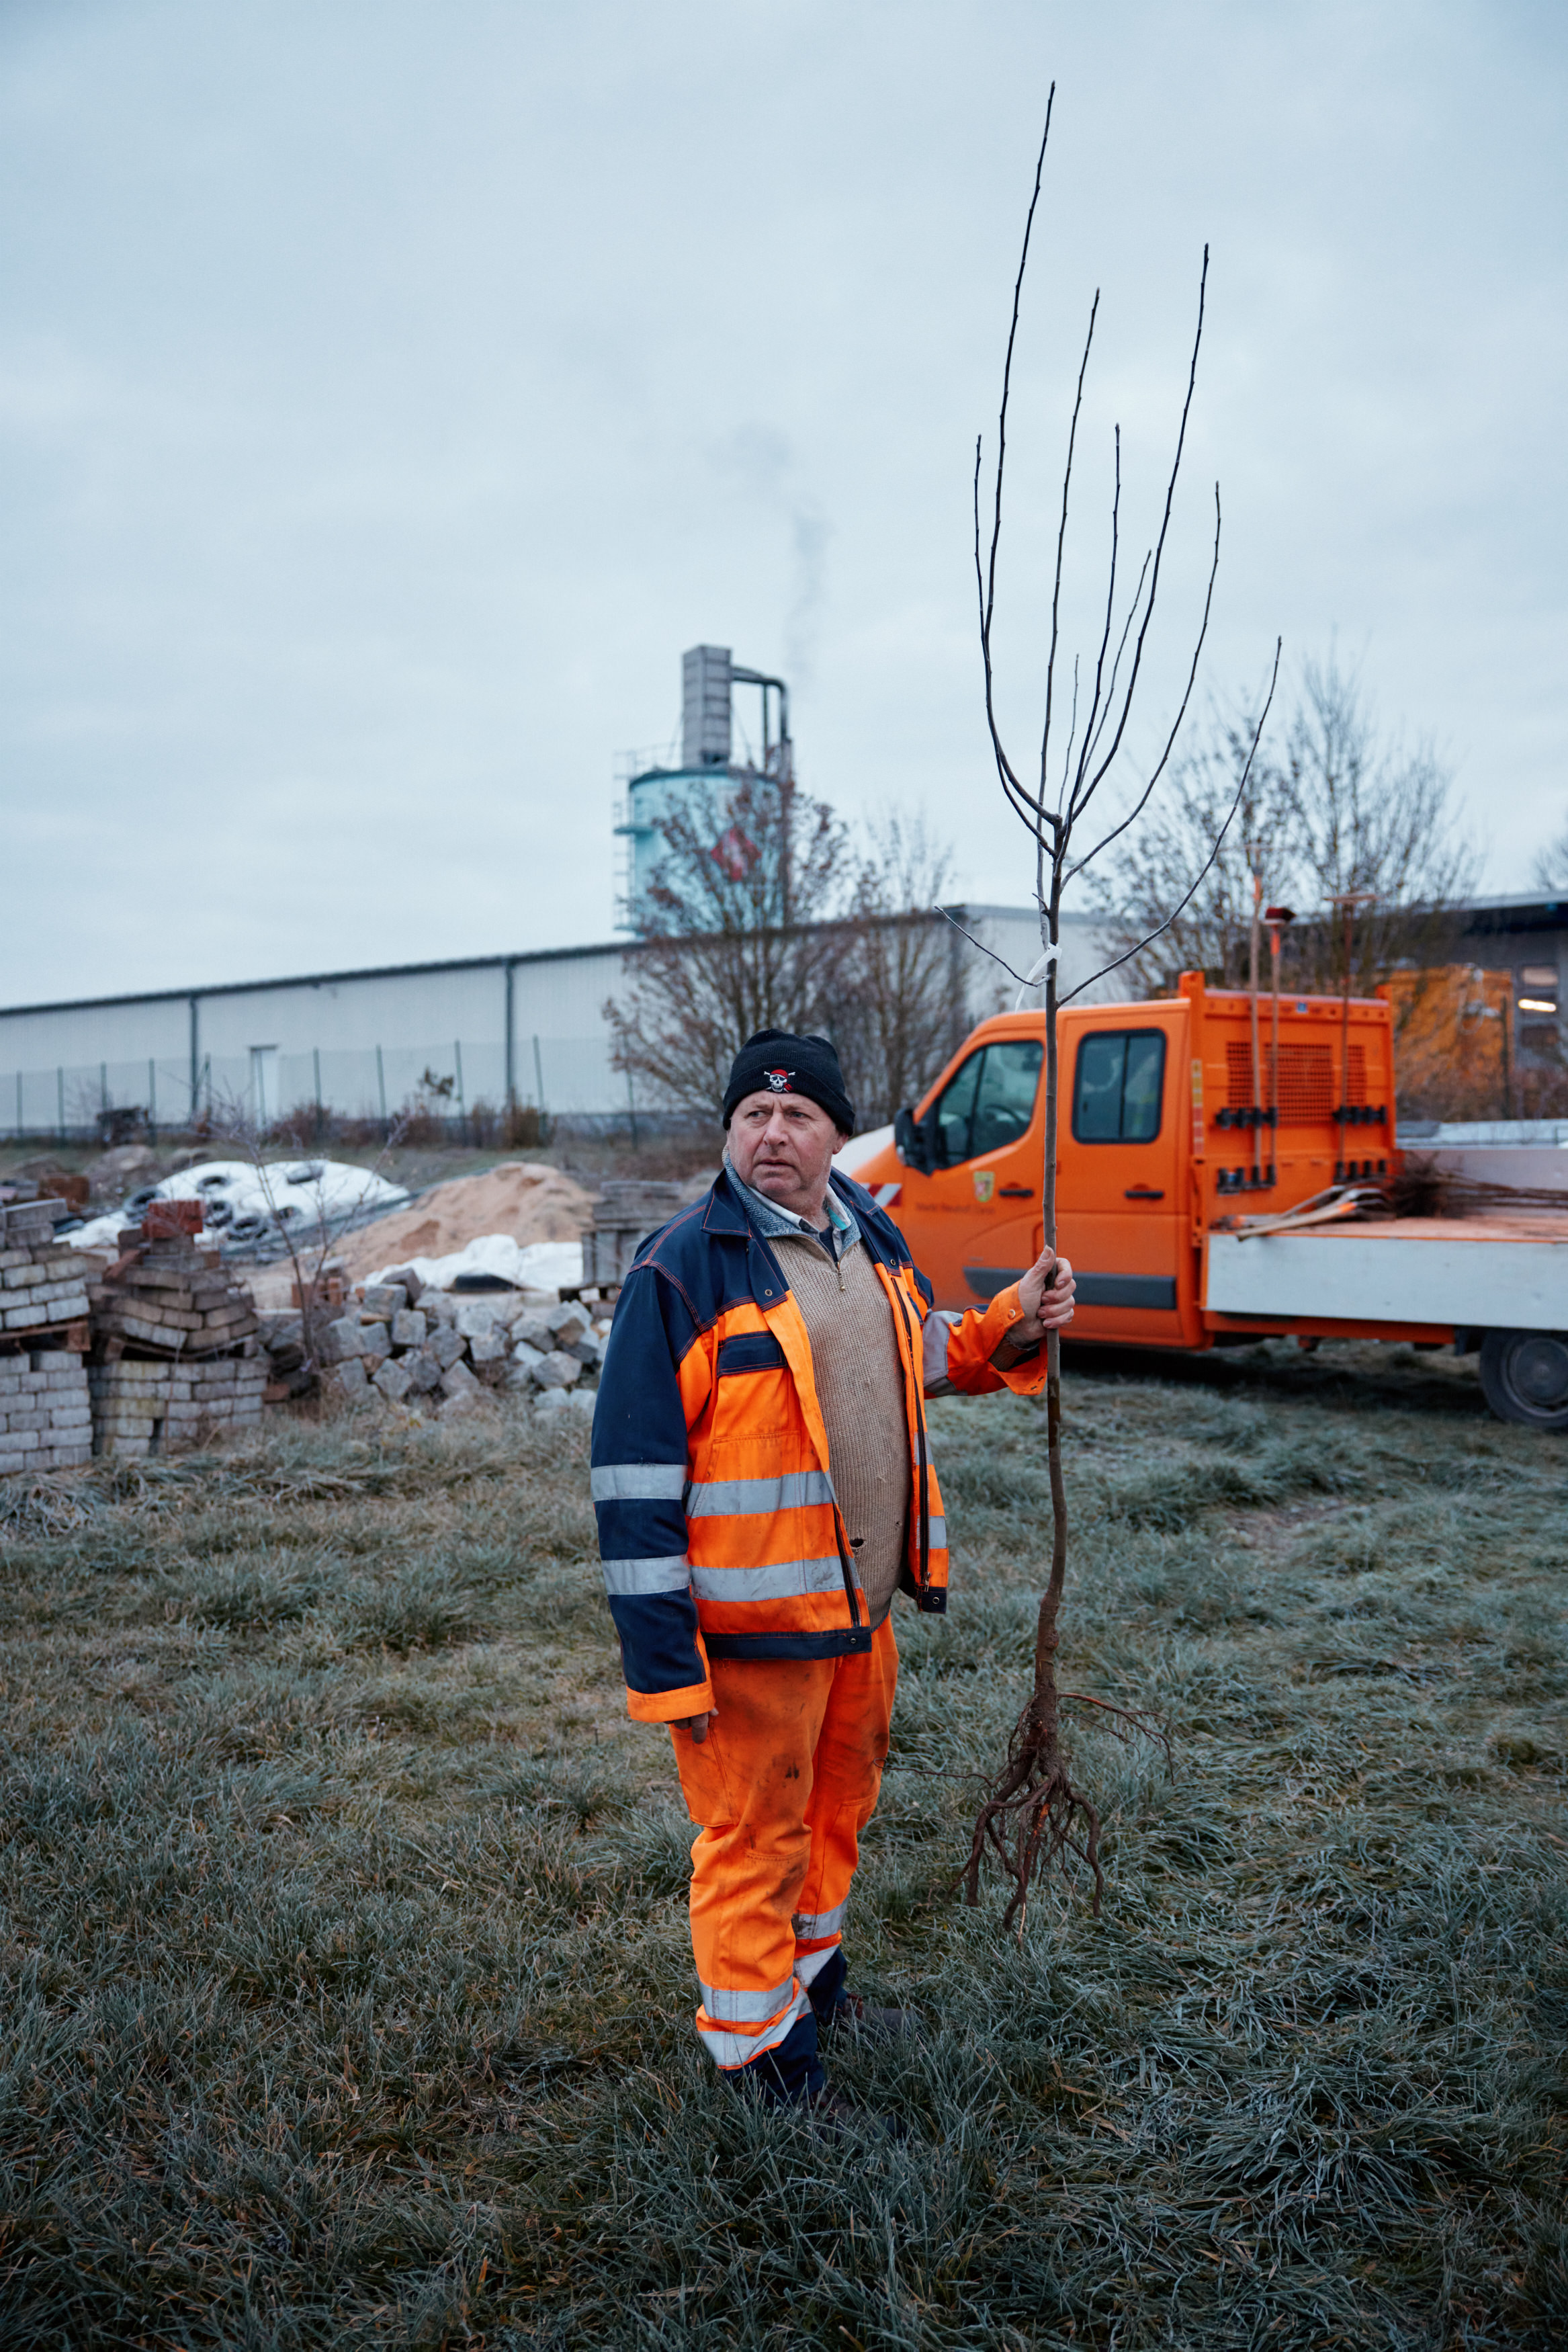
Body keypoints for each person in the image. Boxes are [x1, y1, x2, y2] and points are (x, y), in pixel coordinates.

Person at [589, 1029, 1076, 2109]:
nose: (773, 1135)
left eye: (797, 1116)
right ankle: (759, 2056)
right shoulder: (680, 1268)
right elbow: (629, 1479)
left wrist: (1010, 1323)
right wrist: (665, 1664)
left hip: (861, 1609)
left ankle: (810, 1985)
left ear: (837, 1136)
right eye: (752, 1117)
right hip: (747, 1634)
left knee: (835, 1814)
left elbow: (919, 1351)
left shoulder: (870, 1234)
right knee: (754, 1835)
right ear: (727, 1131)